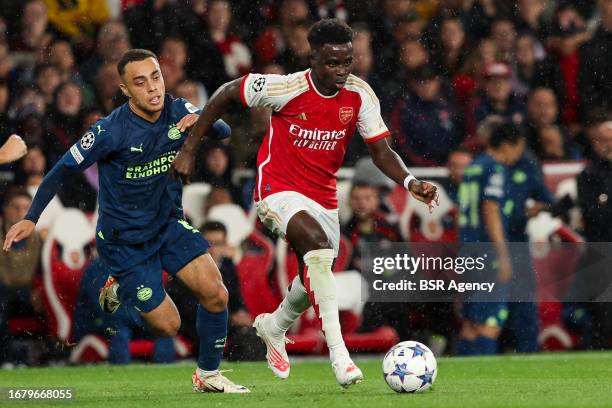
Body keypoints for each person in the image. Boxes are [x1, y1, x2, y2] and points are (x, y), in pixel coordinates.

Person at [172, 18, 439, 387]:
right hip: (276, 189)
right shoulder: (286, 86)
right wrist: (190, 148)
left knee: (315, 270)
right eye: (332, 63)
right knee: (316, 249)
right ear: (312, 58)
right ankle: (340, 357)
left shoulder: (360, 94)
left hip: (323, 196)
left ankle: (274, 325)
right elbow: (229, 92)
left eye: (347, 62)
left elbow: (381, 151)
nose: (342, 70)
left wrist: (410, 181)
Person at [3, 49, 248, 393]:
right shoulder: (109, 130)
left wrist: (201, 121)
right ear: (125, 89)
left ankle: (208, 375)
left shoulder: (178, 109)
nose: (152, 88)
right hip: (124, 243)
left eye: (156, 77)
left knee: (216, 294)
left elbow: (221, 129)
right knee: (169, 326)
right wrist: (31, 217)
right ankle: (115, 286)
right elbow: (61, 169)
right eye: (140, 82)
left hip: (168, 225)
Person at [456, 123, 526, 355]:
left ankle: (463, 378)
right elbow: (490, 208)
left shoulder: (473, 167)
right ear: (507, 145)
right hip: (486, 253)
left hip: (467, 249)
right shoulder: (495, 170)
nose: (518, 156)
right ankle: (480, 384)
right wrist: (502, 254)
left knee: (470, 322)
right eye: (518, 149)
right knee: (489, 322)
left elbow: (463, 211)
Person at [0, 187, 41, 365]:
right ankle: (7, 360)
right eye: (15, 207)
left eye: (25, 207)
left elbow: (43, 270)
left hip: (28, 290)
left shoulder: (38, 238)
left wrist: (39, 290)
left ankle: (50, 357)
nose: (20, 212)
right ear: (5, 210)